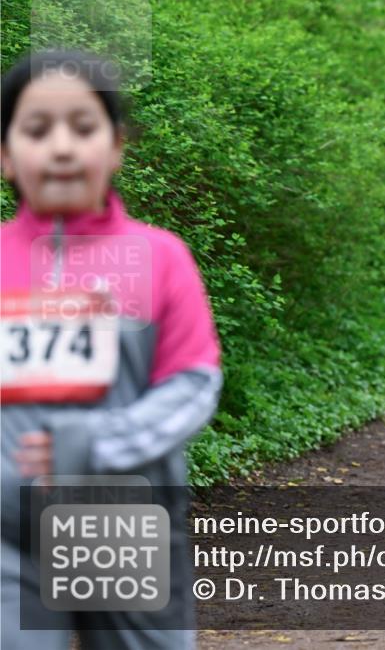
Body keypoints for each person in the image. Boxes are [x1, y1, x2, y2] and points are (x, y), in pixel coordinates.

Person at [1, 50, 222, 649]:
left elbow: (193, 384)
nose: (63, 148)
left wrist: (93, 446)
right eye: (37, 130)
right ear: (5, 154)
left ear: (116, 146)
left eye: (84, 126)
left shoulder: (160, 258)